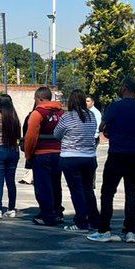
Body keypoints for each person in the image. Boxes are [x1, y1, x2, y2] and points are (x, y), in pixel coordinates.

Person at [89, 77, 135, 244]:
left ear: (126, 88)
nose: (119, 88)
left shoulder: (115, 106)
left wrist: (109, 129)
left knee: (107, 192)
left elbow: (102, 127)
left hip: (117, 152)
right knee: (131, 193)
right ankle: (130, 231)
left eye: (121, 85)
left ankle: (104, 229)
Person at [55, 88, 99, 232]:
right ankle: (94, 220)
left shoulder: (68, 117)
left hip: (71, 156)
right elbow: (93, 132)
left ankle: (81, 221)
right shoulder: (91, 115)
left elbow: (57, 134)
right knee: (88, 190)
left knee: (76, 191)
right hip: (89, 156)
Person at [23, 86, 65, 226]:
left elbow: (31, 136)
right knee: (55, 184)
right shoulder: (61, 113)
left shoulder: (38, 113)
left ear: (38, 98)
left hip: (42, 153)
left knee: (43, 186)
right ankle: (57, 212)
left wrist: (28, 154)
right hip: (59, 153)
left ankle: (47, 215)